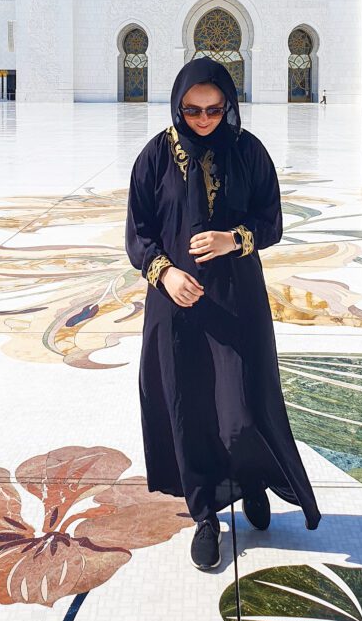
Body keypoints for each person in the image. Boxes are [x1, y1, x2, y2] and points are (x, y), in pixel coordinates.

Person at [126, 57, 321, 571]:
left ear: (229, 105)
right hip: (177, 308)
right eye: (193, 110)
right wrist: (165, 273)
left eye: (215, 110)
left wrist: (233, 239)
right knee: (189, 408)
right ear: (178, 104)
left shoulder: (248, 152)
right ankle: (206, 515)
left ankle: (251, 479)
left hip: (237, 300)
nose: (205, 120)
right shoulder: (154, 159)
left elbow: (271, 221)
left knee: (242, 403)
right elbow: (138, 234)